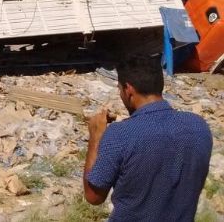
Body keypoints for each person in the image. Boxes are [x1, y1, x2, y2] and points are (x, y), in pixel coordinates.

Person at [84, 55, 213, 221]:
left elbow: (93, 196)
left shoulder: (121, 134)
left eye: (120, 89)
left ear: (128, 90)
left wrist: (95, 137)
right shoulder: (199, 126)